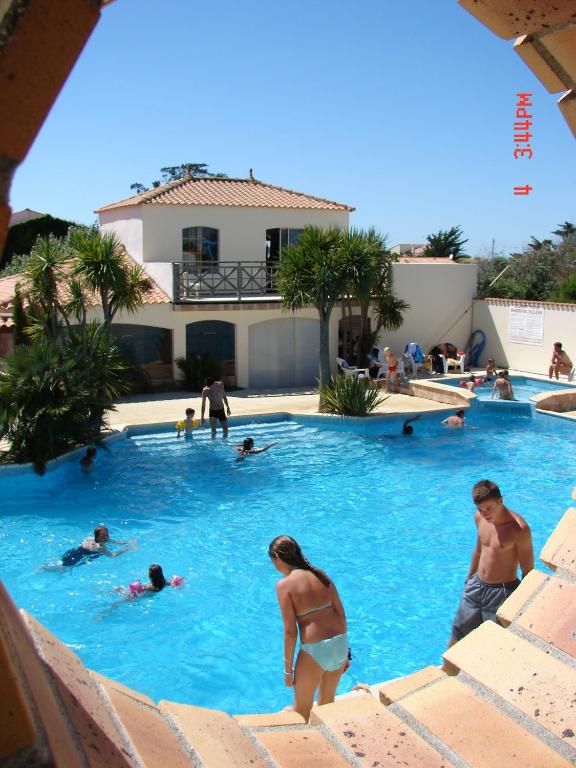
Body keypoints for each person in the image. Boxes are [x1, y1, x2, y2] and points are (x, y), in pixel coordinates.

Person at [443, 480, 533, 662]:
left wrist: (522, 603)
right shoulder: (479, 518)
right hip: (476, 585)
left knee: (494, 642)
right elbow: (479, 549)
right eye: (481, 509)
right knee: (459, 630)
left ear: (501, 500)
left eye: (489, 508)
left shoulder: (518, 529)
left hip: (502, 590)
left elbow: (528, 570)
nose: (485, 514)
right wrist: (469, 579)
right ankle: (447, 673)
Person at [268, 535, 348, 722]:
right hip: (340, 645)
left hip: (316, 650)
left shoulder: (284, 586)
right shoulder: (320, 574)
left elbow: (290, 632)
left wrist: (288, 671)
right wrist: (344, 652)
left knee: (301, 713)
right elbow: (341, 615)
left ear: (278, 558)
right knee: (327, 706)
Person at [50, 526, 138, 568]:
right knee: (61, 566)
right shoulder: (100, 547)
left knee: (58, 562)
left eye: (107, 535)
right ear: (97, 537)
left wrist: (127, 542)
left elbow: (115, 541)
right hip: (78, 557)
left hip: (74, 550)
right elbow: (113, 555)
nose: (106, 537)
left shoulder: (93, 538)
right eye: (103, 536)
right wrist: (127, 548)